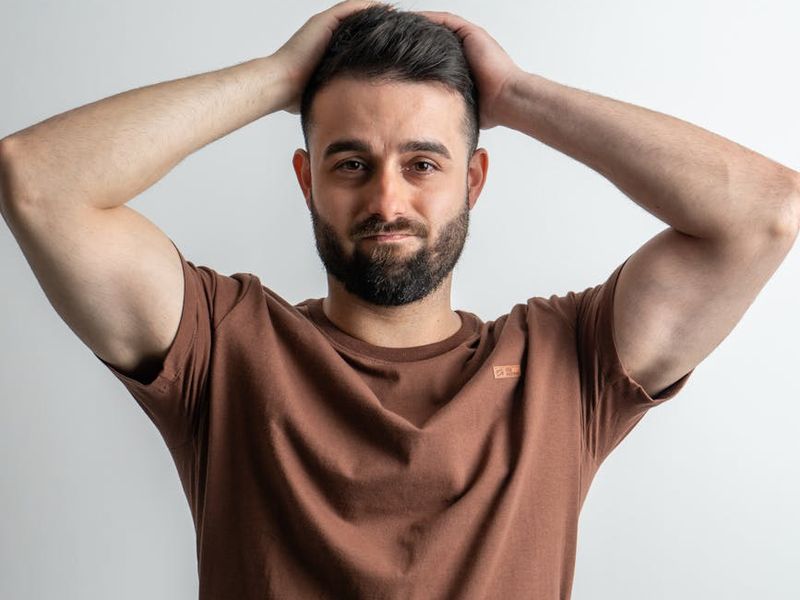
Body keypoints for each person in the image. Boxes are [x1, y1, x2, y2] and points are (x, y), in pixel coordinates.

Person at [1, 1, 798, 598]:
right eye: (351, 163)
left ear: (473, 179)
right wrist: (277, 77)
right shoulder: (223, 347)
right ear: (307, 180)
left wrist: (518, 94)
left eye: (423, 164)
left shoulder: (565, 364)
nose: (387, 200)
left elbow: (766, 213)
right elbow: (35, 179)